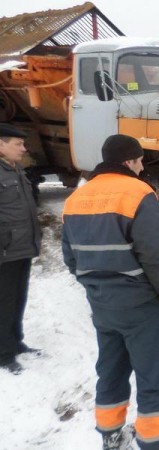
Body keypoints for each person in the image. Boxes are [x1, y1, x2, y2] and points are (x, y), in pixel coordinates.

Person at [62, 135, 159, 450]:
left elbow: (70, 257)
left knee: (110, 368)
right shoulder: (140, 193)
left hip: (102, 303)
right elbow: (154, 252)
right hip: (139, 302)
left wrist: (95, 286)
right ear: (129, 161)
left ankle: (110, 435)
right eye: (140, 161)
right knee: (151, 374)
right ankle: (151, 443)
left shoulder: (76, 198)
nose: (141, 168)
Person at [0, 123, 42, 375]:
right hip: (4, 251)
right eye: (18, 144)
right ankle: (4, 353)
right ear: (1, 144)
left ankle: (16, 342)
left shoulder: (16, 170)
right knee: (3, 301)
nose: (24, 149)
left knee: (18, 297)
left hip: (22, 247)